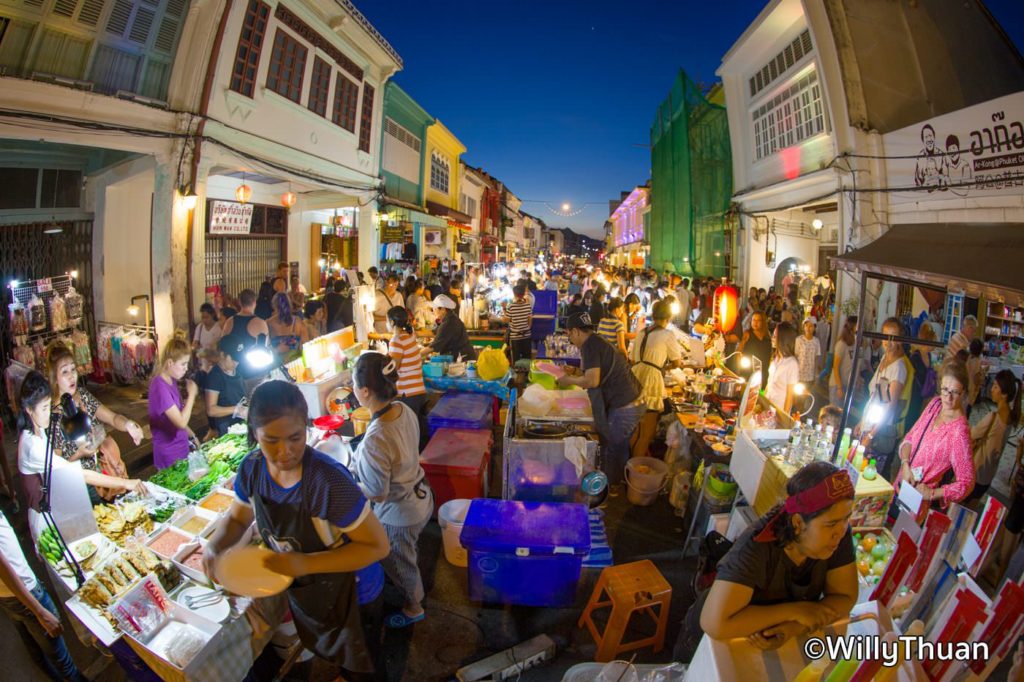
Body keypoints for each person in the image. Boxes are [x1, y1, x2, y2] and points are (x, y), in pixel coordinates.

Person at [203, 381, 389, 678]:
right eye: (271, 440)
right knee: (335, 656)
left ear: (306, 427)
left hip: (355, 595)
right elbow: (238, 519)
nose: (285, 451)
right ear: (254, 434)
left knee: (363, 668)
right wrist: (214, 545)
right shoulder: (251, 470)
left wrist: (305, 563)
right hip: (311, 593)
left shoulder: (327, 483)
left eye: (295, 437)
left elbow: (378, 546)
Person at [676, 462, 857, 661]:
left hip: (760, 643)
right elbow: (714, 623)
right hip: (709, 643)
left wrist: (795, 626)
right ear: (797, 523)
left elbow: (845, 596)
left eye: (846, 519)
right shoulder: (757, 546)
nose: (840, 531)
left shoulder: (838, 534)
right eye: (831, 524)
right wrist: (795, 611)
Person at [351, 353, 433, 629]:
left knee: (400, 566)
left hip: (399, 515)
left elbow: (376, 493)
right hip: (422, 497)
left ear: (364, 391)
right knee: (408, 552)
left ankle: (414, 607)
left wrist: (350, 483)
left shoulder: (376, 437)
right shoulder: (403, 409)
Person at [18, 371, 146, 539]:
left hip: (60, 506)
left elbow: (112, 417)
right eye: (43, 408)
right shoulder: (31, 446)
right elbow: (79, 473)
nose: (48, 413)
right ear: (29, 410)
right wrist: (125, 483)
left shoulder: (39, 426)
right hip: (45, 518)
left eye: (49, 406)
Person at [0, 501, 88, 681]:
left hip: (9, 597)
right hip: (25, 593)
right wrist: (39, 611)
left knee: (41, 656)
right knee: (63, 662)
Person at [557, 313, 644, 488]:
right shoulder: (597, 341)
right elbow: (593, 374)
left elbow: (592, 381)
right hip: (633, 400)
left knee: (611, 446)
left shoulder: (589, 345)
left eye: (569, 334)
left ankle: (608, 489)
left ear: (576, 331)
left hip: (626, 404)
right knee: (619, 445)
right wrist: (575, 372)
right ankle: (617, 484)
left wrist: (568, 380)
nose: (570, 339)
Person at [47, 344, 142, 503]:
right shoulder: (54, 416)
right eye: (65, 372)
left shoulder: (82, 396)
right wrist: (79, 454)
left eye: (73, 369)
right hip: (82, 484)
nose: (72, 376)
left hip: (104, 472)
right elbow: (57, 467)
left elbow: (112, 418)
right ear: (54, 378)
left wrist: (129, 425)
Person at [894, 361, 974, 510]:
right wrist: (905, 464)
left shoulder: (959, 432)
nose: (948, 398)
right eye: (945, 389)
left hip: (915, 502)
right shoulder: (935, 404)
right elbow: (910, 437)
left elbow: (966, 482)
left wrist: (933, 493)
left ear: (963, 393)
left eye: (955, 392)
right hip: (900, 484)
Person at [629, 300, 681, 459]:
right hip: (650, 381)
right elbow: (677, 362)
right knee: (647, 433)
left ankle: (627, 465)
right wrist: (661, 367)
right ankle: (634, 473)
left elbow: (632, 359)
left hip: (634, 377)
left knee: (637, 430)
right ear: (669, 317)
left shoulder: (642, 332)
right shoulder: (667, 334)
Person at [857, 318, 908, 476]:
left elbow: (888, 406)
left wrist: (871, 434)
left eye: (894, 336)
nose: (889, 341)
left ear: (900, 339)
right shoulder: (884, 360)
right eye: (886, 336)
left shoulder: (898, 367)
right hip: (869, 425)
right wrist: (862, 421)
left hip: (879, 432)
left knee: (868, 475)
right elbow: (875, 396)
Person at [966, 369, 1020, 506]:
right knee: (970, 510)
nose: (991, 389)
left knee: (958, 509)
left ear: (1004, 394)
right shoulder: (1011, 417)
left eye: (996, 386)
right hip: (988, 475)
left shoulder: (993, 417)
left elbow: (971, 435)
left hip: (975, 471)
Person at [148, 333, 198, 470]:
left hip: (181, 446)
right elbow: (181, 422)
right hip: (169, 453)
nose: (186, 368)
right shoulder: (159, 387)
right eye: (183, 364)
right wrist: (192, 395)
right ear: (170, 363)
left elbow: (178, 414)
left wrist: (192, 436)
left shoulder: (171, 381)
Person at [386, 307, 428, 443]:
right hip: (418, 391)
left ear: (392, 322)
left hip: (407, 394)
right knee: (418, 431)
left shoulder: (396, 340)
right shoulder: (409, 336)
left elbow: (394, 368)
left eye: (387, 320)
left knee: (408, 434)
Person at [204, 337, 248, 437]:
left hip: (242, 425)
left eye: (238, 359)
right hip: (227, 430)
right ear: (222, 355)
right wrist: (237, 410)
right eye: (233, 359)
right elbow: (211, 410)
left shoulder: (238, 372)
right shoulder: (215, 376)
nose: (236, 363)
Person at [766, 323, 800, 414]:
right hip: (768, 408)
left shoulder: (792, 364)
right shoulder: (775, 358)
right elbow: (769, 384)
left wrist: (783, 417)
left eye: (775, 336)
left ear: (783, 339)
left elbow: (790, 396)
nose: (772, 338)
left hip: (779, 411)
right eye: (773, 335)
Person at [427, 294, 475, 360]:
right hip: (463, 356)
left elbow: (433, 347)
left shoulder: (448, 323)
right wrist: (416, 334)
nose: (433, 311)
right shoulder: (450, 318)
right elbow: (434, 332)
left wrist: (417, 354)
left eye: (435, 309)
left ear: (443, 309)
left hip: (462, 359)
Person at [829, 316, 859, 408]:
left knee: (844, 415)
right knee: (835, 415)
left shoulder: (857, 344)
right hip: (839, 385)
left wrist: (857, 381)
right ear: (852, 327)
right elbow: (836, 367)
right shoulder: (842, 344)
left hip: (850, 385)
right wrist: (839, 387)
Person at [192, 303, 222, 390]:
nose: (204, 320)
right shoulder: (200, 327)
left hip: (214, 366)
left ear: (212, 315)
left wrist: (201, 352)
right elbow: (194, 345)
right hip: (202, 367)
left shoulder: (218, 328)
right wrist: (204, 353)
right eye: (203, 318)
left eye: (207, 317)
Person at [503, 284, 533, 365]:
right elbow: (530, 321)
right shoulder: (528, 306)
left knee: (515, 361)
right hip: (526, 336)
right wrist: (525, 328)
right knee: (527, 359)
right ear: (523, 294)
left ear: (514, 294)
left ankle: (516, 376)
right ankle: (527, 375)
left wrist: (504, 308)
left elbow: (505, 320)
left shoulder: (511, 307)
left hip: (515, 338)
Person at [737, 311, 773, 378]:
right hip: (748, 369)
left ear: (763, 322)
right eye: (753, 320)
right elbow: (739, 350)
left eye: (758, 320)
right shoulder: (747, 334)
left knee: (761, 388)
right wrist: (739, 365)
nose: (755, 323)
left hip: (763, 369)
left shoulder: (767, 335)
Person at [795, 317, 821, 385]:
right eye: (806, 325)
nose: (808, 328)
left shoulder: (816, 341)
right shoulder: (799, 340)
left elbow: (816, 359)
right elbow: (795, 356)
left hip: (810, 376)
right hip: (799, 374)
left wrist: (816, 375)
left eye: (811, 326)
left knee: (807, 394)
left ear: (814, 328)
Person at [965, 339, 985, 411]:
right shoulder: (977, 362)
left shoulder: (969, 358)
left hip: (965, 388)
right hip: (971, 391)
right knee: (967, 410)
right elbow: (976, 379)